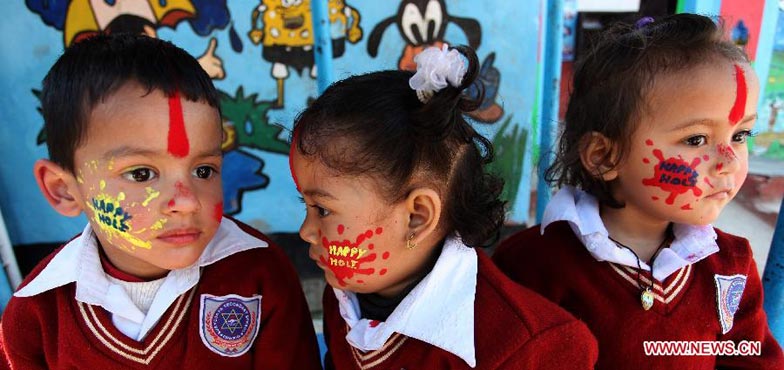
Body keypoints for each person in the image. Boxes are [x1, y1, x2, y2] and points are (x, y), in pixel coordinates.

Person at [0, 34, 321, 369]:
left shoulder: (260, 275)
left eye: (203, 170)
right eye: (141, 174)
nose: (187, 202)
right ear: (64, 190)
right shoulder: (36, 312)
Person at [493, 14, 784, 369]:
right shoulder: (533, 264)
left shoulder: (730, 265)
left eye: (740, 136)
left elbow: (749, 359)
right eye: (696, 140)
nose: (728, 161)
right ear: (604, 156)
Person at [289, 44, 598, 369]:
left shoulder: (531, 349)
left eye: (322, 210)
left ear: (417, 217)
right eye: (305, 205)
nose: (306, 231)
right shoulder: (344, 300)